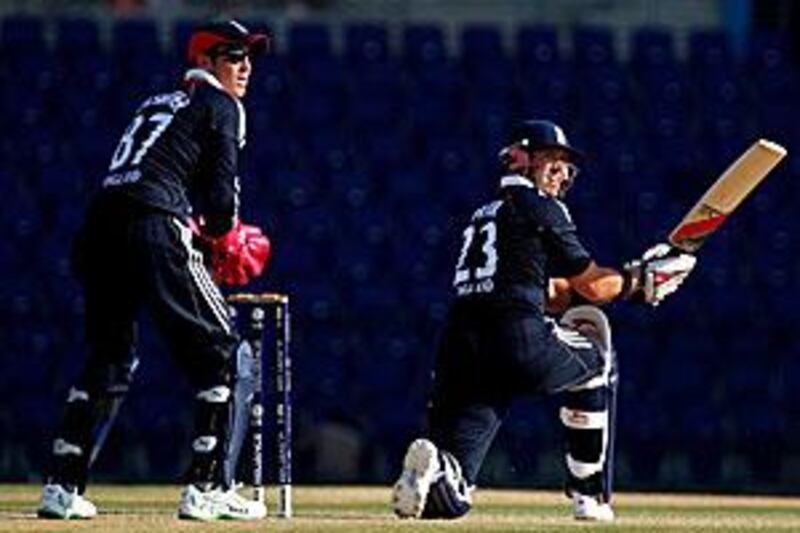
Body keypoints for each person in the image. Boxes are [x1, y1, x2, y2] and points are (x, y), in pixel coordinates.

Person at [391, 119, 696, 522]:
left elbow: (550, 292)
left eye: (565, 163)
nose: (562, 171)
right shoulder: (541, 207)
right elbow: (595, 290)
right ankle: (589, 496)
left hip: (459, 348)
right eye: (551, 159)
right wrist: (643, 280)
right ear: (520, 159)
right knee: (599, 358)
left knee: (451, 499)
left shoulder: (485, 214)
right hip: (513, 338)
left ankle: (437, 469)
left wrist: (637, 277)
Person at [37, 20, 272, 521]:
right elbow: (220, 207)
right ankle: (207, 488)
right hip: (154, 224)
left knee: (111, 357)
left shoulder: (154, 103)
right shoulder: (223, 105)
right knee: (228, 354)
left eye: (249, 56)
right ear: (205, 62)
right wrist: (220, 237)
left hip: (99, 229)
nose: (246, 66)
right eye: (233, 55)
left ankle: (61, 487)